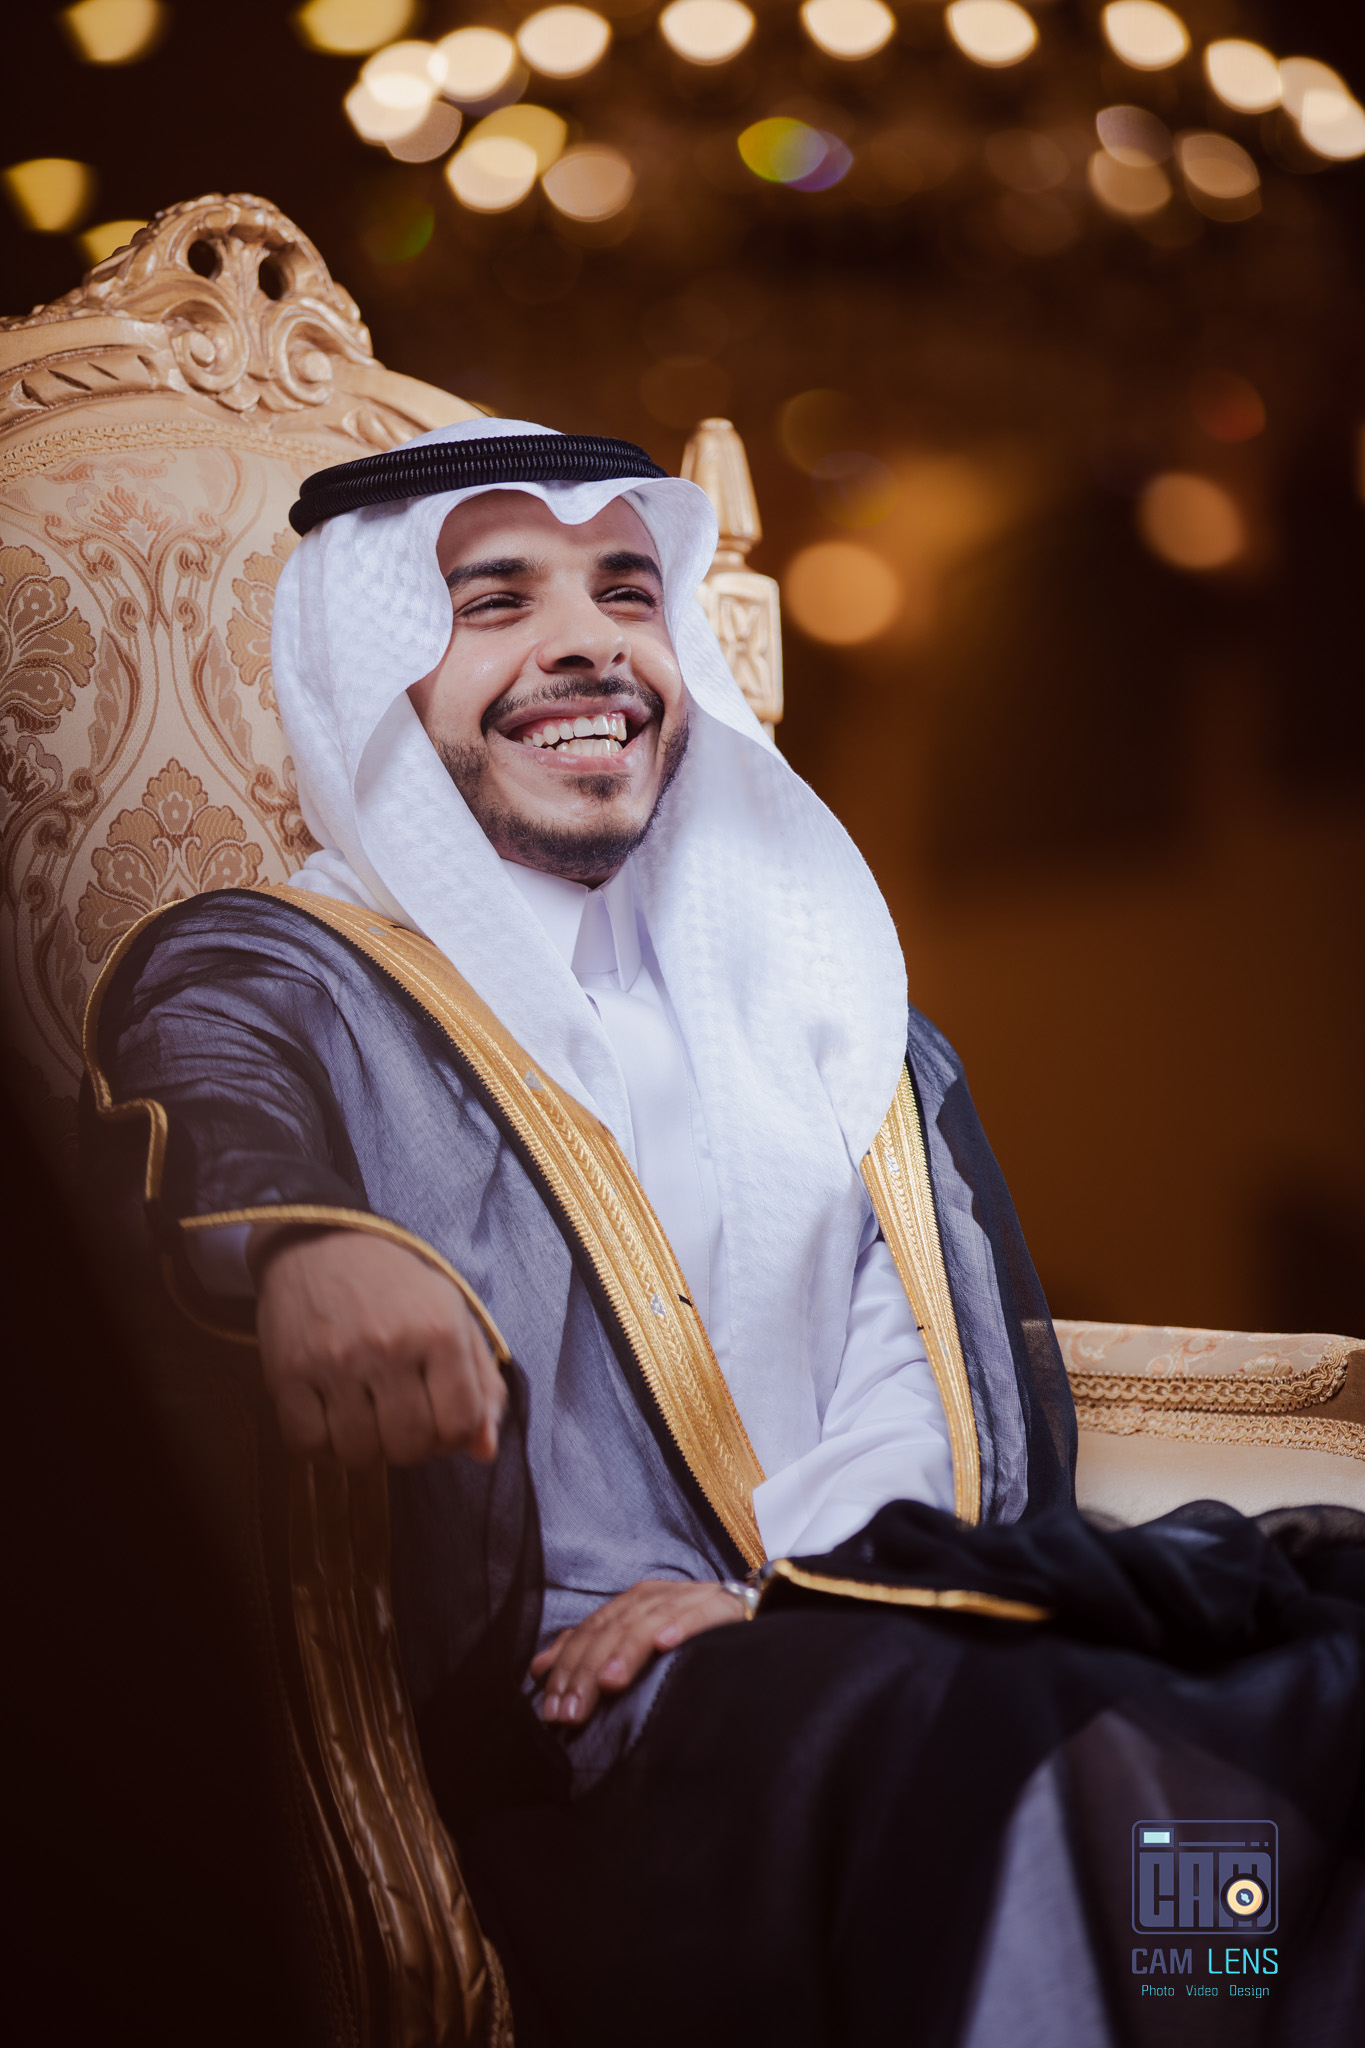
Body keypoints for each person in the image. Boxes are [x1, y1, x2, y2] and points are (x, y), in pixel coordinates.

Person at [83, 421, 1365, 2047]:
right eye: (495, 601)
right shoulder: (289, 972)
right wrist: (305, 1246)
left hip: (857, 1613)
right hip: (589, 1729)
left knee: (1293, 1702)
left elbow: (932, 1365)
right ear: (373, 675)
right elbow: (201, 1096)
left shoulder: (819, 993)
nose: (589, 642)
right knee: (1031, 1740)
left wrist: (798, 1589)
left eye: (628, 591)